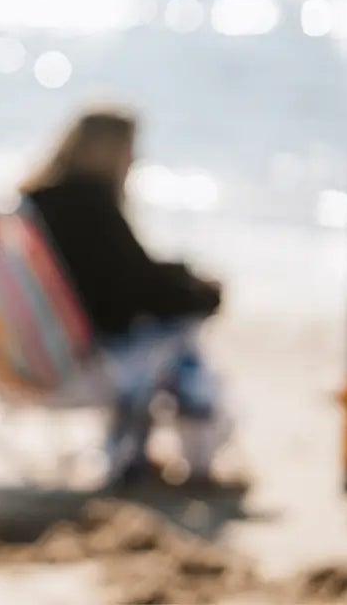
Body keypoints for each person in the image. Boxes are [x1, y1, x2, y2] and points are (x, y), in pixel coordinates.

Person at [21, 107, 230, 484]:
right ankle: (194, 460)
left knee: (175, 329)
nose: (135, 160)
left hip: (27, 353)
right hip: (85, 360)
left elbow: (125, 276)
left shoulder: (33, 204)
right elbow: (132, 292)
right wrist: (204, 295)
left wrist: (178, 278)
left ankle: (138, 452)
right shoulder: (91, 208)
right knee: (182, 341)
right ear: (110, 152)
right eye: (131, 150)